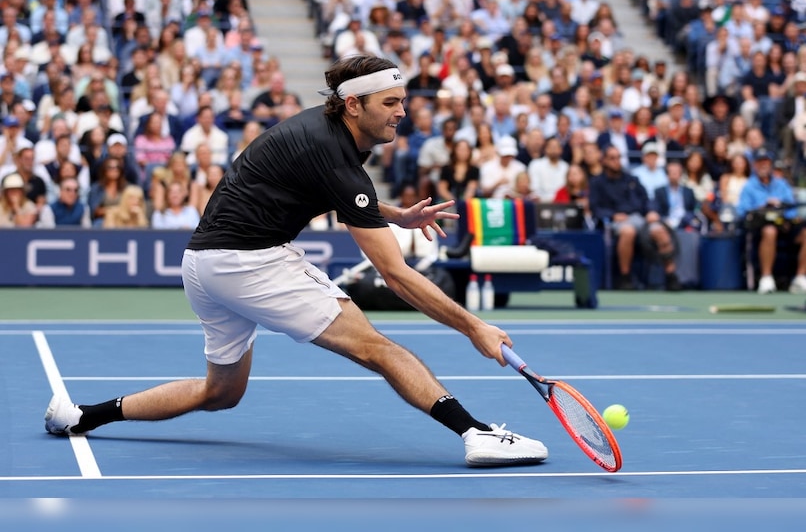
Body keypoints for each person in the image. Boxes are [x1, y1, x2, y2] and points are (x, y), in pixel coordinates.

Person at [44, 55, 548, 468]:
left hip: (202, 265)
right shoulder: (337, 156)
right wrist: (473, 326)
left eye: (402, 102)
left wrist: (394, 215)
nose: (401, 113)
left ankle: (81, 415)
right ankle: (477, 433)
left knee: (220, 393)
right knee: (379, 348)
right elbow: (396, 275)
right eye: (390, 103)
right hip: (250, 263)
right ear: (353, 105)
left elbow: (321, 190)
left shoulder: (325, 133)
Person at [589, 145, 682, 292]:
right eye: (612, 158)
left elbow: (646, 199)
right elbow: (595, 208)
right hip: (616, 222)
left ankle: (671, 276)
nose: (616, 161)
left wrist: (651, 211)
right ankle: (625, 278)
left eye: (618, 157)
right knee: (628, 232)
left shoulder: (632, 179)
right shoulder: (597, 182)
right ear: (604, 161)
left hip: (640, 218)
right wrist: (612, 215)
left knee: (659, 231)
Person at [736, 148, 806, 295]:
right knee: (770, 231)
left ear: (771, 164)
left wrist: (779, 205)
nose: (763, 165)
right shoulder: (749, 186)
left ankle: (800, 277)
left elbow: (792, 209)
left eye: (766, 161)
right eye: (760, 162)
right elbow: (742, 211)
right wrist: (762, 206)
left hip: (784, 224)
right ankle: (766, 278)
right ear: (754, 165)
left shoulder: (781, 184)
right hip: (760, 228)